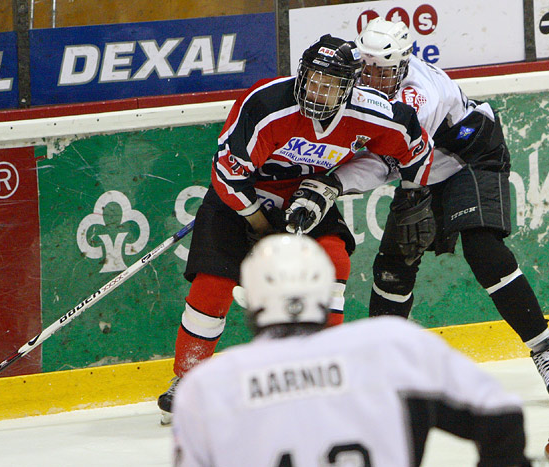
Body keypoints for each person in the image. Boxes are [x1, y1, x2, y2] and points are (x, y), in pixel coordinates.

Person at [157, 33, 434, 423]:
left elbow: (416, 147)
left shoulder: (373, 112)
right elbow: (226, 176)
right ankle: (186, 379)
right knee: (213, 283)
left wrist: (414, 197)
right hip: (246, 197)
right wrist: (260, 225)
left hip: (305, 195)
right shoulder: (266, 104)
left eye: (330, 83)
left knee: (334, 262)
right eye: (312, 79)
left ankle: (323, 374)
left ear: (349, 87)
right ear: (301, 75)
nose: (317, 90)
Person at [338, 17, 549, 399]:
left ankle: (545, 351)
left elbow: (388, 163)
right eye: (367, 67)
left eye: (382, 70)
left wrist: (337, 181)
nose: (372, 76)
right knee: (393, 268)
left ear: (401, 63)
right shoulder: (359, 71)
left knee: (483, 249)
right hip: (422, 171)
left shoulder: (421, 96)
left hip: (471, 158)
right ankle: (383, 366)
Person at [171, 234, 533, 467]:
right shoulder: (390, 345)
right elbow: (500, 417)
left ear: (250, 301)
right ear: (324, 291)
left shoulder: (209, 387)